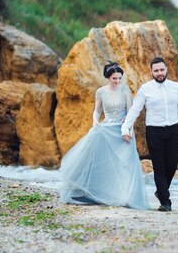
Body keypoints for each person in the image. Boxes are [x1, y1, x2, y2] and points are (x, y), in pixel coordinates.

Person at [59, 62, 149, 209]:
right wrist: (95, 121)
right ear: (108, 77)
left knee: (125, 163)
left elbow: (130, 113)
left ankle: (126, 197)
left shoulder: (125, 91)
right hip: (106, 129)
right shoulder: (100, 92)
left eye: (120, 78)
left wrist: (127, 130)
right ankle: (96, 193)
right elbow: (97, 110)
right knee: (103, 162)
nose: (118, 81)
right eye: (115, 78)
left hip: (122, 130)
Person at [121, 56, 178, 212]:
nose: (159, 73)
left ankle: (160, 192)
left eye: (162, 70)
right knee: (159, 167)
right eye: (156, 70)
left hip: (173, 130)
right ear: (151, 71)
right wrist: (125, 128)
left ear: (166, 69)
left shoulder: (176, 87)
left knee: (171, 166)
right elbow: (135, 110)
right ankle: (165, 201)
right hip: (154, 131)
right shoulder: (145, 89)